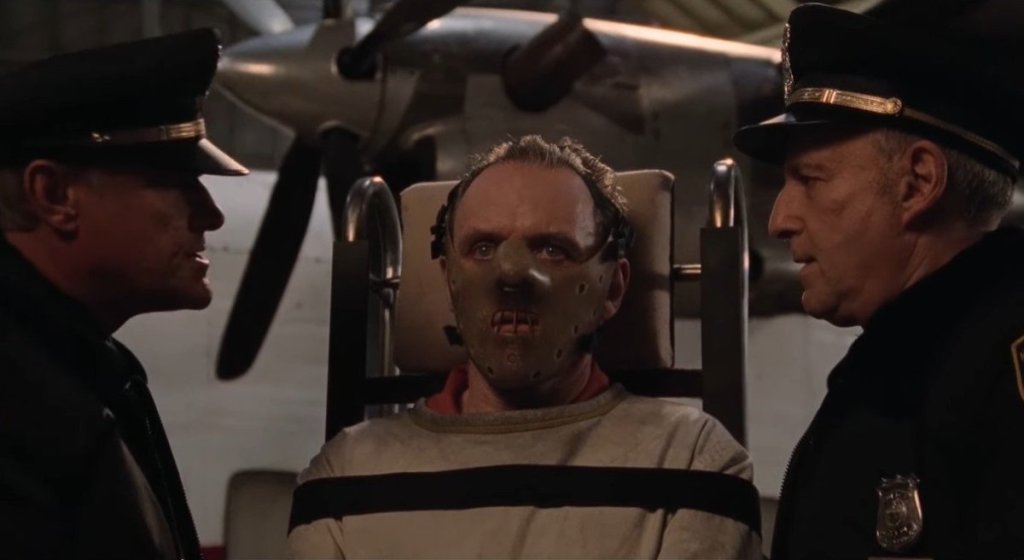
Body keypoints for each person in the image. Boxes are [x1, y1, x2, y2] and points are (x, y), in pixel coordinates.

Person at [288, 136, 761, 558]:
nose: (511, 274)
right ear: (449, 279)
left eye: (552, 249)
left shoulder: (690, 459)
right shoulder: (346, 474)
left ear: (613, 288)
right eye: (483, 247)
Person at [733, 4, 1024, 558]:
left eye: (810, 179)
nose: (779, 220)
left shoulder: (989, 378)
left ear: (917, 183)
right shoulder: (903, 365)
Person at [0, 30, 248, 559]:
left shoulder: (79, 368)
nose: (211, 215)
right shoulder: (28, 396)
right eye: (175, 181)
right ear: (54, 195)